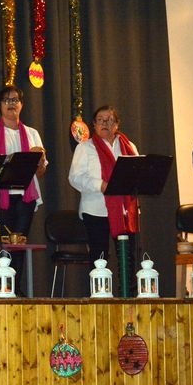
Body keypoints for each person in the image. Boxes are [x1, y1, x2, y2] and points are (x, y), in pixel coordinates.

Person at [0, 85, 46, 295]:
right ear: (0, 106)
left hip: (25, 197)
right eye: (7, 100)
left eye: (15, 100)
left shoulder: (32, 133)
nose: (11, 104)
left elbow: (40, 172)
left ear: (22, 104)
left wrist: (40, 162)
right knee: (1, 246)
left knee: (19, 245)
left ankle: (15, 289)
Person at [68, 106, 139, 293]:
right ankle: (99, 297)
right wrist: (101, 184)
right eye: (100, 120)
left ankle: (128, 296)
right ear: (94, 125)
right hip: (95, 210)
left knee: (128, 257)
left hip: (124, 210)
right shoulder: (85, 147)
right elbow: (75, 177)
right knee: (99, 258)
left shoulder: (129, 147)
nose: (105, 124)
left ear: (117, 124)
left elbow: (138, 172)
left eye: (110, 120)